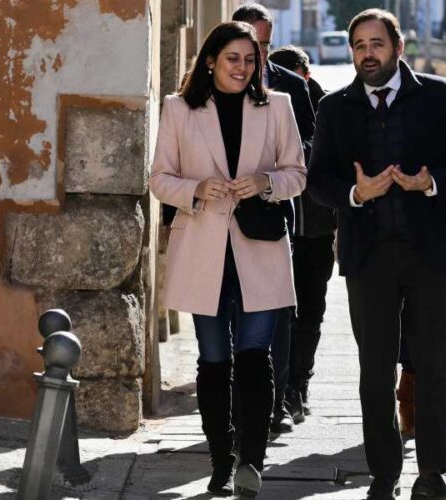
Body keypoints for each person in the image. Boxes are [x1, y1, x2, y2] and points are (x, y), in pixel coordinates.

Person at [307, 9, 446, 500]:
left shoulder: (440, 96)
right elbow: (317, 179)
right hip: (369, 257)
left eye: (377, 44)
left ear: (398, 47)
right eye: (360, 45)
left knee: (434, 365)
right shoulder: (335, 108)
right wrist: (355, 193)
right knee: (374, 369)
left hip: (432, 254)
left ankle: (432, 474)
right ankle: (383, 474)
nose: (368, 53)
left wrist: (431, 182)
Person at [148, 21, 306, 497]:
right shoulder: (179, 109)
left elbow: (298, 173)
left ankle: (251, 461)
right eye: (233, 58)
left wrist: (266, 183)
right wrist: (194, 189)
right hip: (202, 249)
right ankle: (220, 460)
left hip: (259, 248)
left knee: (256, 358)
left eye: (250, 59)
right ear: (211, 60)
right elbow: (159, 178)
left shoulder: (277, 106)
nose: (242, 67)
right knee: (214, 360)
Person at [232, 3, 318, 434]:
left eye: (265, 45)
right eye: (251, 45)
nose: (259, 55)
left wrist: (269, 165)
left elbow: (304, 148)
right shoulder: (209, 86)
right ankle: (237, 404)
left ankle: (278, 400)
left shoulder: (289, 88)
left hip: (270, 216)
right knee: (230, 312)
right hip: (222, 221)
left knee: (280, 311)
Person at [268, 44, 336, 423]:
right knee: (279, 312)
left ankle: (299, 384)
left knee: (310, 311)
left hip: (315, 229)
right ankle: (277, 388)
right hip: (280, 228)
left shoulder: (326, 107)